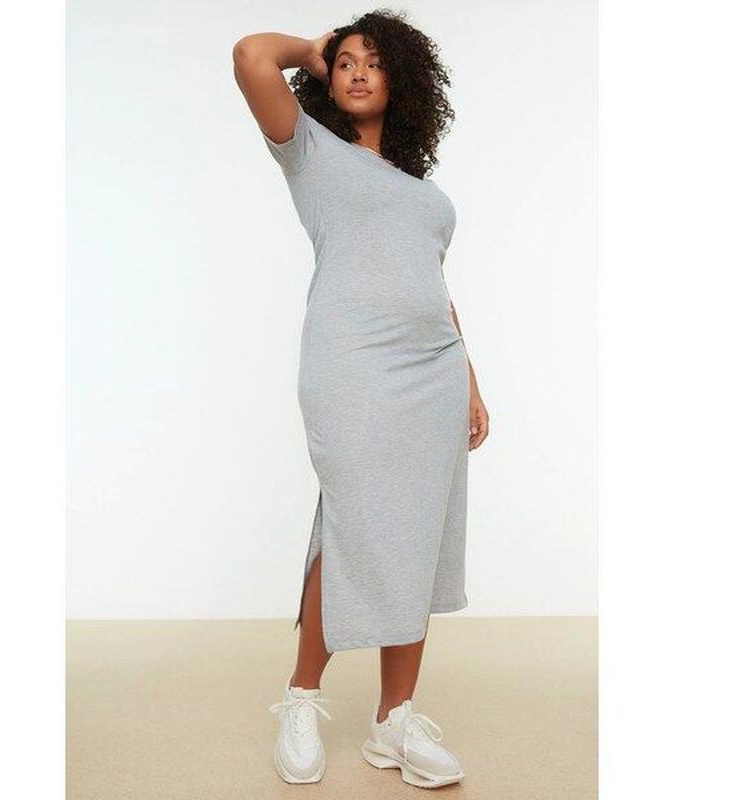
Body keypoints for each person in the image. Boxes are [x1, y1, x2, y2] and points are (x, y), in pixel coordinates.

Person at [233, 9, 489, 790]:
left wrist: (471, 380)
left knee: (419, 533)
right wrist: (312, 52)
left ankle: (394, 721)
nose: (356, 71)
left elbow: (432, 288)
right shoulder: (310, 151)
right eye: (346, 62)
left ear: (401, 80)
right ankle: (301, 699)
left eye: (374, 61)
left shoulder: (426, 195)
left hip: (434, 374)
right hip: (350, 365)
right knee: (351, 522)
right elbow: (250, 56)